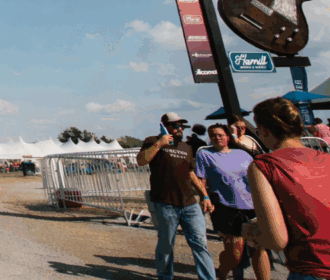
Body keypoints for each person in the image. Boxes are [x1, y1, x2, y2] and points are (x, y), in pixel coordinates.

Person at [242, 97, 330, 280]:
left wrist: (251, 232)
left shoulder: (265, 165)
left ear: (265, 130)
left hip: (312, 268)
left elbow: (276, 239)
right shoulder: (326, 158)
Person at [137, 111, 216, 280]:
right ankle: (165, 276)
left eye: (181, 126)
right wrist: (159, 144)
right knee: (166, 244)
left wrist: (205, 195)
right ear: (165, 127)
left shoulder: (186, 147)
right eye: (176, 125)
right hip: (165, 203)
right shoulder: (152, 141)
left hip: (189, 203)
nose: (180, 129)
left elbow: (191, 173)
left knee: (200, 243)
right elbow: (141, 161)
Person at [194, 124, 269, 280]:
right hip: (225, 206)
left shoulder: (242, 154)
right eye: (213, 135)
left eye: (220, 134)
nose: (217, 138)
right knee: (235, 253)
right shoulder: (205, 154)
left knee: (259, 247)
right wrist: (204, 198)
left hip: (251, 205)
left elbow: (256, 176)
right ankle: (222, 272)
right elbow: (201, 179)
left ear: (228, 137)